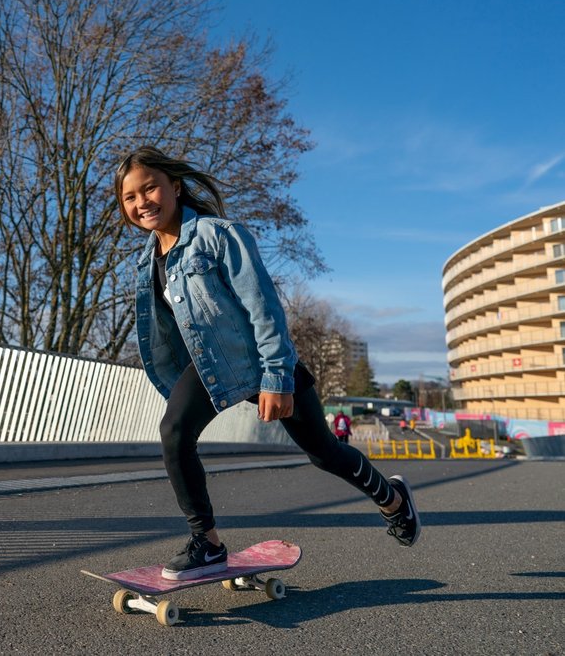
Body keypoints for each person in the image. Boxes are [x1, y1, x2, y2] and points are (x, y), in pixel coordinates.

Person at [114, 146, 420, 581]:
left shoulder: (219, 235)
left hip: (263, 361)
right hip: (212, 367)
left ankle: (392, 499)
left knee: (323, 452)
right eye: (130, 197)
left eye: (150, 189)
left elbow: (264, 309)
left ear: (175, 188)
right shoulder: (148, 260)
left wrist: (277, 377)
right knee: (174, 433)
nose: (142, 202)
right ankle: (209, 544)